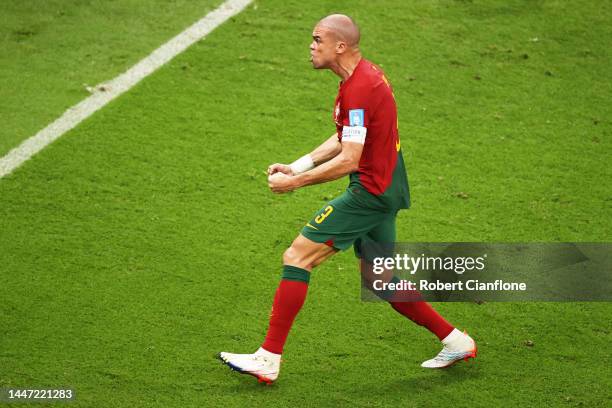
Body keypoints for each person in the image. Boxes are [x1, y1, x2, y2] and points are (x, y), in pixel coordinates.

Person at [219, 14, 476, 384]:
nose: (311, 46)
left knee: (297, 257)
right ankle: (457, 340)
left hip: (369, 193)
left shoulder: (359, 88)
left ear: (340, 46)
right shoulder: (364, 77)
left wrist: (295, 184)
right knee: (380, 277)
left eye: (317, 39)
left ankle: (268, 357)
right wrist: (297, 165)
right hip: (387, 188)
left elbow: (350, 158)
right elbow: (347, 137)